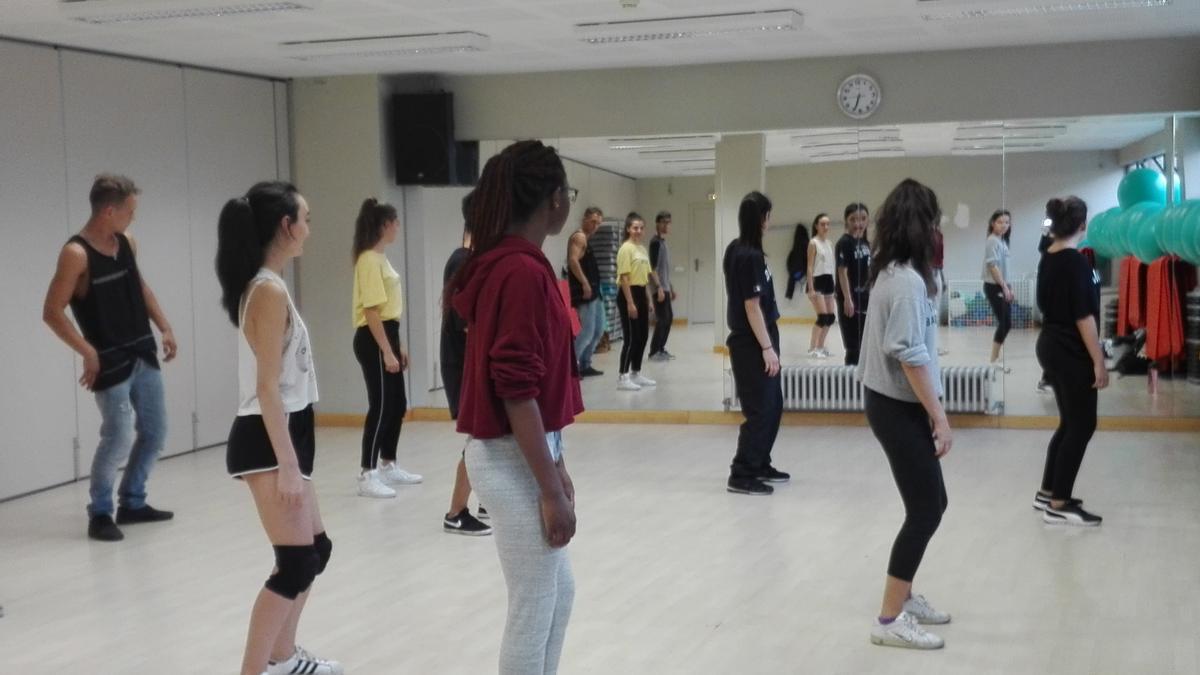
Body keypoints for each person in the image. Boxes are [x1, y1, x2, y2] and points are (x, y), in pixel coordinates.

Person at [448, 140, 581, 674]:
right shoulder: (519, 271)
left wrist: (558, 465)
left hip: (524, 452)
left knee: (558, 594)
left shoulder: (517, 263)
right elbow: (516, 389)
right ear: (553, 199)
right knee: (534, 606)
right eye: (568, 192)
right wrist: (549, 489)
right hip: (509, 459)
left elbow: (532, 388)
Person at [215, 181, 341, 675]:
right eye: (305, 219)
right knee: (294, 564)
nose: (309, 228)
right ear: (286, 227)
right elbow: (266, 387)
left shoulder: (270, 285)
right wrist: (288, 465)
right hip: (268, 438)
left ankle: (282, 659)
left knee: (314, 552)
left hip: (287, 430)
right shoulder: (266, 291)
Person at [42, 174, 176, 542]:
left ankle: (132, 501)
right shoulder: (76, 254)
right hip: (109, 359)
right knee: (118, 437)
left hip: (142, 352)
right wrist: (87, 351)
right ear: (109, 211)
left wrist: (164, 326)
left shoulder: (127, 242)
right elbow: (52, 311)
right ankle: (100, 513)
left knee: (155, 432)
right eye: (130, 211)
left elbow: (140, 287)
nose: (134, 217)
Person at [858, 178, 953, 650]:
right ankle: (889, 619)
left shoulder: (897, 273)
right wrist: (940, 416)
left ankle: (906, 595)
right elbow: (909, 354)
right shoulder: (906, 283)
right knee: (925, 510)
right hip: (896, 406)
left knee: (933, 503)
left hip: (895, 402)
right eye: (933, 222)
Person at [1034, 197, 1107, 526]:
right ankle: (1058, 504)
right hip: (1069, 350)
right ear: (1082, 225)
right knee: (1082, 425)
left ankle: (1049, 492)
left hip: (1052, 345)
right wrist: (1098, 361)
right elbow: (1083, 317)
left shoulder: (1048, 256)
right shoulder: (1075, 262)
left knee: (1069, 423)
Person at [351, 198, 422, 499]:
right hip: (373, 337)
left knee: (397, 404)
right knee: (380, 405)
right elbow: (371, 311)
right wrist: (386, 350)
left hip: (387, 333)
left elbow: (389, 311)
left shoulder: (380, 258)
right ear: (384, 225)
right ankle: (367, 473)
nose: (398, 227)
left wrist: (397, 344)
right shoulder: (368, 260)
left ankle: (388, 462)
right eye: (395, 222)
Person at [723, 192, 787, 496]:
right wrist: (767, 348)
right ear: (762, 218)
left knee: (774, 405)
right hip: (751, 341)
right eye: (768, 215)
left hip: (761, 335)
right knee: (761, 410)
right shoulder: (747, 255)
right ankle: (742, 473)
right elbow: (752, 306)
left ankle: (760, 462)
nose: (769, 221)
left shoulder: (740, 250)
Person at [441, 192, 491, 536]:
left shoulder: (473, 260)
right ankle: (456, 512)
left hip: (472, 366)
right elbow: (467, 322)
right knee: (479, 440)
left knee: (489, 438)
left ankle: (485, 498)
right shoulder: (462, 261)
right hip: (463, 367)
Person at [616, 212, 657, 391]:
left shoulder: (642, 249)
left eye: (641, 228)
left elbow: (645, 277)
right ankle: (623, 376)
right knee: (631, 338)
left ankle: (636, 372)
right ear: (628, 229)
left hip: (640, 293)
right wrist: (630, 303)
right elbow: (624, 278)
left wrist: (648, 299)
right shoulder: (626, 249)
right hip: (628, 293)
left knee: (643, 336)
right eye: (635, 228)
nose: (638, 231)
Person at [566, 206, 606, 377]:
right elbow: (572, 261)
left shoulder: (587, 240)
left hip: (596, 293)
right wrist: (584, 283)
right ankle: (570, 367)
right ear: (585, 219)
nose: (595, 226)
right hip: (585, 293)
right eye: (593, 222)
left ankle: (585, 364)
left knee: (598, 331)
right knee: (586, 332)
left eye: (598, 223)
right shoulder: (579, 237)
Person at [835, 202, 872, 366]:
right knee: (853, 346)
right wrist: (847, 299)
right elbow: (842, 272)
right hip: (851, 300)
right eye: (853, 219)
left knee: (866, 344)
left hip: (865, 298)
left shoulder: (865, 243)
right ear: (846, 221)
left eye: (863, 219)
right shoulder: (844, 243)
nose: (858, 223)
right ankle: (850, 378)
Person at [982, 209, 1014, 369]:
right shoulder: (992, 241)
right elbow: (993, 266)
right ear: (992, 223)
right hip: (994, 286)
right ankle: (993, 360)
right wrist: (1004, 287)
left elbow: (1004, 268)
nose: (1004, 225)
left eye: (1007, 222)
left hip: (1002, 285)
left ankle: (996, 358)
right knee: (1006, 322)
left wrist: (1009, 287)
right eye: (1000, 222)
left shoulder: (1002, 241)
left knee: (1006, 322)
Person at [648, 210, 678, 361]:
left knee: (668, 318)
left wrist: (670, 288)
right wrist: (659, 287)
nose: (666, 226)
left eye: (668, 223)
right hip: (658, 288)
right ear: (657, 224)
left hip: (665, 287)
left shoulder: (663, 243)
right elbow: (652, 268)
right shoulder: (655, 243)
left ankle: (660, 348)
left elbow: (663, 269)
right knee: (662, 319)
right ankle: (654, 352)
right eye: (663, 222)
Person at [806, 213, 837, 358]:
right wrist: (811, 288)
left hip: (828, 280)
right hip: (817, 281)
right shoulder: (813, 243)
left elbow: (830, 265)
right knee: (823, 317)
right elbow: (809, 267)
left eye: (828, 224)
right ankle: (812, 348)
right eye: (822, 224)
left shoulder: (829, 244)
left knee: (830, 317)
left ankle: (821, 346)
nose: (826, 227)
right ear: (816, 226)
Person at [1036, 219, 1055, 392]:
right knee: (1054, 344)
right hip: (1052, 310)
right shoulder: (1049, 260)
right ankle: (1047, 379)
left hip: (1052, 309)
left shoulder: (1050, 259)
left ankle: (1050, 379)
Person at [932, 220, 948, 356]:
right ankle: (929, 345)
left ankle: (934, 345)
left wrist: (942, 278)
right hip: (925, 273)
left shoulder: (939, 235)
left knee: (935, 311)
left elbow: (940, 260)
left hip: (936, 272)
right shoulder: (919, 234)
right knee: (927, 311)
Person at [785, 222, 810, 300]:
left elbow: (790, 259)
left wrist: (790, 269)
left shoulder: (796, 245)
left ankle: (789, 295)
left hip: (794, 269)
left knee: (792, 278)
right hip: (801, 269)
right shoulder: (806, 243)